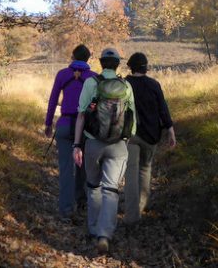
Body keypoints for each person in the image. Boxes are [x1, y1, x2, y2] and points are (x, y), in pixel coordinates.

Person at [72, 47, 136, 255]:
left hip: (93, 143)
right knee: (111, 189)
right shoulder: (126, 86)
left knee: (93, 186)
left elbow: (81, 114)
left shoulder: (92, 83)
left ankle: (93, 228)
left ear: (101, 63)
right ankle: (104, 234)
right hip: (118, 145)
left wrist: (76, 145)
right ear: (118, 63)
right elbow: (132, 118)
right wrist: (125, 139)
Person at [45, 44, 97, 221]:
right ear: (88, 58)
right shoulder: (94, 77)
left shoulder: (62, 74)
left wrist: (48, 123)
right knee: (83, 166)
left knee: (66, 168)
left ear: (73, 57)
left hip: (65, 124)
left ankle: (66, 209)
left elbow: (53, 100)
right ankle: (81, 201)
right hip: (86, 128)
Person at [123, 52, 176, 225]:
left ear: (130, 67)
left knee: (130, 174)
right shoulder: (154, 84)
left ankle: (131, 216)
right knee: (145, 170)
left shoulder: (125, 84)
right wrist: (170, 129)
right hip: (151, 136)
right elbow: (163, 109)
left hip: (130, 135)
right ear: (146, 67)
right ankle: (140, 208)